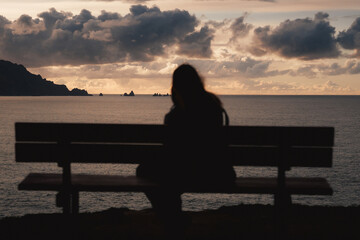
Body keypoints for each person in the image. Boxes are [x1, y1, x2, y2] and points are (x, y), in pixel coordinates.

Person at [136, 64, 236, 238]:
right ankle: (174, 220)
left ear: (176, 86)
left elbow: (172, 149)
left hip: (189, 172)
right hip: (217, 173)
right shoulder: (214, 107)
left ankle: (173, 221)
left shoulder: (177, 114)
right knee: (169, 178)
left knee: (145, 171)